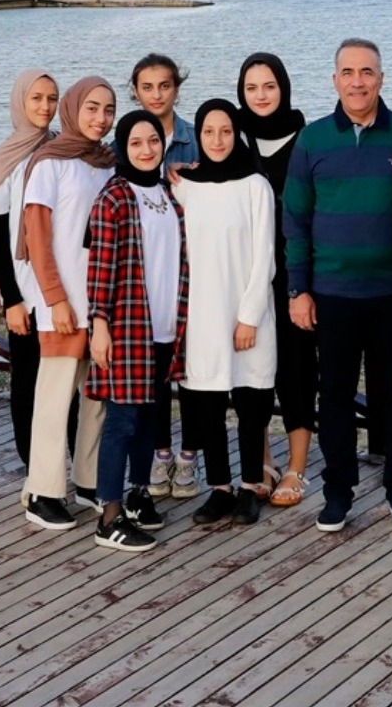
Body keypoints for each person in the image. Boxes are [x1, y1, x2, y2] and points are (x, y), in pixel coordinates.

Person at [285, 38, 392, 534]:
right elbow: (296, 220)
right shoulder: (313, 140)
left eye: (367, 71)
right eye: (347, 72)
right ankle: (338, 490)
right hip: (333, 294)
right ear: (335, 80)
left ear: (382, 79)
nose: (357, 81)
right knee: (337, 396)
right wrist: (298, 289)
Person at [86, 112, 189, 553]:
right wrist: (99, 323)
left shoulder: (167, 193)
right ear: (123, 147)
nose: (146, 150)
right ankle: (109, 516)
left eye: (153, 141)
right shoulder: (115, 197)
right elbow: (100, 266)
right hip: (127, 326)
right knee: (121, 421)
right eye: (135, 143)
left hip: (165, 326)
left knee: (151, 416)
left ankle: (139, 493)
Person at [172, 99, 279, 526]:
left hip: (246, 314)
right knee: (207, 405)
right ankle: (219, 488)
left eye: (226, 131)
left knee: (252, 401)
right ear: (197, 135)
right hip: (199, 315)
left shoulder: (255, 185)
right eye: (208, 131)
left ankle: (251, 486)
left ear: (237, 135)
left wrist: (249, 315)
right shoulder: (182, 186)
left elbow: (265, 256)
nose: (217, 140)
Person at [19, 76, 118, 531]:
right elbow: (37, 238)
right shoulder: (50, 162)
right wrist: (55, 299)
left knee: (96, 397)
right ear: (74, 109)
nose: (100, 118)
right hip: (62, 301)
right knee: (55, 397)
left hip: (101, 303)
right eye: (92, 108)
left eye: (109, 109)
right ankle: (42, 489)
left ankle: (88, 479)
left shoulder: (107, 163)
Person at [0, 69, 61, 485]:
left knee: (64, 376)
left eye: (52, 98)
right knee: (27, 377)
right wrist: (12, 300)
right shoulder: (6, 157)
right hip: (24, 286)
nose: (45, 107)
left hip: (62, 284)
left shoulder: (64, 148)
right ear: (20, 102)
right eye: (37, 98)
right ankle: (32, 461)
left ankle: (66, 456)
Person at [238, 52, 313, 508]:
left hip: (294, 274)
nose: (261, 96)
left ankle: (297, 466)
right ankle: (262, 459)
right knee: (251, 371)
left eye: (269, 86)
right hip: (246, 277)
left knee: (298, 368)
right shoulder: (232, 138)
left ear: (283, 87)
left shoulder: (308, 139)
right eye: (251, 88)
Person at [131, 52, 199, 497]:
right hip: (147, 275)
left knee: (192, 371)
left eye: (165, 85)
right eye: (147, 87)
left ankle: (190, 457)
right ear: (135, 90)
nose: (157, 95)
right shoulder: (129, 138)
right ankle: (159, 455)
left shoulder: (196, 138)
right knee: (153, 374)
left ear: (177, 87)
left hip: (194, 271)